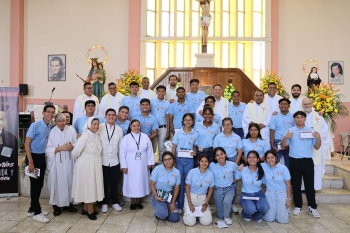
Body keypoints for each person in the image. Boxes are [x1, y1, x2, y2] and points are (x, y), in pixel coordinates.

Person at [280, 111, 321, 218]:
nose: (299, 119)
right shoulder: (290, 131)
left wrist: (318, 138)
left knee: (309, 185)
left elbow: (317, 147)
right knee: (296, 185)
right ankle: (298, 206)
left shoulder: (311, 131)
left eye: (301, 117)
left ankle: (313, 207)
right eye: (297, 117)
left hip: (307, 161)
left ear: (305, 119)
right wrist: (286, 137)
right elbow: (283, 146)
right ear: (294, 119)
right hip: (294, 161)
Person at [25, 104, 55, 223]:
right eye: (48, 111)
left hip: (42, 157)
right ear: (43, 113)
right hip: (33, 157)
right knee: (35, 185)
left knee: (40, 184)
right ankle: (36, 213)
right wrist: (30, 161)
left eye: (52, 112)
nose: (50, 114)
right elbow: (26, 144)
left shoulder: (50, 126)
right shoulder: (35, 125)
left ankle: (32, 209)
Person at [71, 117, 104, 220]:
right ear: (89, 125)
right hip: (86, 166)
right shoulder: (84, 136)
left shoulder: (97, 136)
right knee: (89, 187)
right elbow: (75, 152)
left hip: (95, 164)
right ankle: (90, 211)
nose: (96, 126)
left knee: (92, 186)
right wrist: (84, 159)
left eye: (98, 124)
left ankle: (85, 209)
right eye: (94, 124)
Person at [45, 113, 77, 216]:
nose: (62, 123)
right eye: (59, 121)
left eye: (63, 120)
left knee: (69, 182)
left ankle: (68, 204)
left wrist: (73, 146)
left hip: (69, 161)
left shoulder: (71, 130)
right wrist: (60, 148)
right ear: (55, 122)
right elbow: (48, 149)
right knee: (57, 184)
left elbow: (77, 142)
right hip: (57, 163)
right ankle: (57, 206)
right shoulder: (52, 132)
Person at [119, 119, 154, 210]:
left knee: (140, 182)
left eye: (138, 125)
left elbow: (150, 150)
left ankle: (138, 202)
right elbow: (122, 153)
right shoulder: (126, 138)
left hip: (143, 164)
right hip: (130, 164)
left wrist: (150, 163)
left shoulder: (145, 136)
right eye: (134, 126)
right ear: (130, 127)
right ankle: (132, 202)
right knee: (131, 182)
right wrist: (123, 166)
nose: (136, 127)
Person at [171, 113, 198, 213]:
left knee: (187, 182)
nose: (188, 122)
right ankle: (179, 204)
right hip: (179, 160)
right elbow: (173, 147)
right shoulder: (178, 133)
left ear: (192, 121)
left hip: (189, 161)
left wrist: (194, 152)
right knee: (179, 182)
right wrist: (173, 160)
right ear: (183, 121)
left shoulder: (195, 134)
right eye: (186, 120)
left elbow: (194, 147)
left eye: (190, 120)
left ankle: (187, 204)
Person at [302, 98, 330, 190]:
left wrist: (317, 135)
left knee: (316, 166)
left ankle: (315, 187)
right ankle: (303, 188)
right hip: (303, 145)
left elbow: (325, 131)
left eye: (308, 104)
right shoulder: (299, 116)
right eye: (305, 104)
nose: (307, 106)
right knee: (303, 165)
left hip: (316, 145)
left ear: (312, 104)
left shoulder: (319, 116)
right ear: (303, 105)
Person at [99, 109, 124, 213]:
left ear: (116, 117)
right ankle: (104, 203)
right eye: (109, 115)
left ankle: (115, 202)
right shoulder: (99, 127)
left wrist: (122, 163)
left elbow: (120, 147)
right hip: (102, 160)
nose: (111, 117)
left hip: (114, 160)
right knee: (103, 182)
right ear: (105, 116)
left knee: (114, 182)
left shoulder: (119, 129)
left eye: (113, 115)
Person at [235, 150, 268, 222]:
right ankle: (246, 213)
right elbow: (235, 179)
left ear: (258, 159)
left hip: (258, 194)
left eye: (254, 157)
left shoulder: (262, 169)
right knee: (250, 209)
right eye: (249, 157)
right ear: (247, 159)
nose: (252, 159)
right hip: (246, 195)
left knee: (265, 208)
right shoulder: (242, 169)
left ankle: (256, 211)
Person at [209, 147, 238, 225]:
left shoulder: (232, 164)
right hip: (217, 189)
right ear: (215, 157)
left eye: (221, 154)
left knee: (227, 201)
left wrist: (234, 180)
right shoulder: (212, 165)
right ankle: (225, 211)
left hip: (230, 188)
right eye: (217, 155)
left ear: (225, 154)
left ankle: (227, 216)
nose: (220, 157)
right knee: (220, 215)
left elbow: (239, 172)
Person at [183, 154, 214, 226]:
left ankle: (198, 214)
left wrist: (206, 204)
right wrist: (190, 203)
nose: (204, 163)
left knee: (206, 222)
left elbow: (210, 190)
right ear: (198, 162)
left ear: (208, 163)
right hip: (191, 196)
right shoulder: (192, 172)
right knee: (190, 223)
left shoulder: (210, 174)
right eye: (202, 161)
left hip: (202, 198)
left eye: (206, 161)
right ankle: (189, 212)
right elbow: (187, 187)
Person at [261, 150, 291, 224]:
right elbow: (252, 164)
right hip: (270, 193)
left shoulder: (283, 168)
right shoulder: (263, 166)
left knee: (282, 220)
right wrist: (242, 166)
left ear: (276, 157)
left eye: (272, 157)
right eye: (268, 158)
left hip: (282, 193)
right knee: (269, 219)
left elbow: (288, 185)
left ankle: (285, 212)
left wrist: (288, 199)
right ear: (265, 159)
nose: (270, 160)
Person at [150, 151, 181, 222]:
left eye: (169, 159)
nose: (168, 161)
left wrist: (173, 202)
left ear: (173, 160)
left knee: (174, 219)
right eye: (165, 160)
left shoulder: (177, 172)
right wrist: (156, 197)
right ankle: (160, 212)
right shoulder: (157, 169)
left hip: (169, 195)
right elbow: (151, 184)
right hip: (158, 194)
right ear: (163, 161)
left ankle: (166, 209)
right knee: (162, 215)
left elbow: (176, 188)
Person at [269, 98, 295, 168]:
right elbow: (272, 131)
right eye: (281, 104)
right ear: (279, 106)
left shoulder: (293, 117)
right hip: (277, 142)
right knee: (274, 164)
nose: (283, 105)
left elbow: (295, 131)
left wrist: (291, 145)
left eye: (285, 104)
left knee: (289, 165)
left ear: (289, 106)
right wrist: (272, 145)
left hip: (288, 143)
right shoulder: (275, 117)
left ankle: (288, 179)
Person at [0, 102, 18, 194]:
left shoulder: (11, 138)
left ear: (5, 121)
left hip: (5, 175)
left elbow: (10, 157)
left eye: (0, 119)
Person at [150, 85, 170, 164]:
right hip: (152, 128)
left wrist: (168, 130)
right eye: (159, 91)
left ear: (165, 92)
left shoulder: (167, 103)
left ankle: (162, 164)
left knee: (162, 148)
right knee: (151, 147)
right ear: (156, 92)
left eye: (163, 91)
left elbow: (168, 117)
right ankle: (151, 165)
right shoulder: (152, 101)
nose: (161, 93)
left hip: (163, 128)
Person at [115, 106, 130, 206]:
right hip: (114, 151)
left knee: (121, 176)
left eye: (126, 112)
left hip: (126, 152)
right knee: (114, 176)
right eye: (122, 112)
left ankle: (119, 197)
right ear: (119, 112)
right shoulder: (114, 122)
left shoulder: (130, 123)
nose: (124, 114)